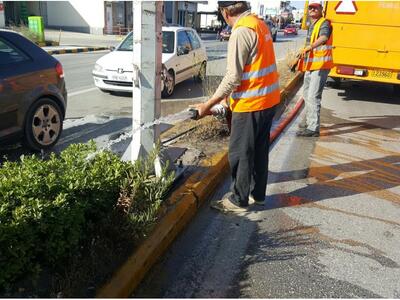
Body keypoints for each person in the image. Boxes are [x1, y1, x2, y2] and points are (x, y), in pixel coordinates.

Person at [192, 1, 280, 212]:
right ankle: (257, 195)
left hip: (251, 105)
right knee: (259, 152)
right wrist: (226, 100)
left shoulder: (240, 32)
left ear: (225, 12)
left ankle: (238, 200)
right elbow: (252, 69)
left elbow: (233, 76)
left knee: (240, 153)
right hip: (268, 101)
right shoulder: (259, 24)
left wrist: (208, 104)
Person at [296, 0, 333, 137]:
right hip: (310, 65)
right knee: (306, 95)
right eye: (310, 8)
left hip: (320, 65)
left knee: (313, 96)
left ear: (321, 9)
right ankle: (308, 122)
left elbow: (324, 37)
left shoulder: (324, 23)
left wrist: (310, 47)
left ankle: (313, 128)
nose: (312, 10)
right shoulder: (313, 24)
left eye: (315, 8)